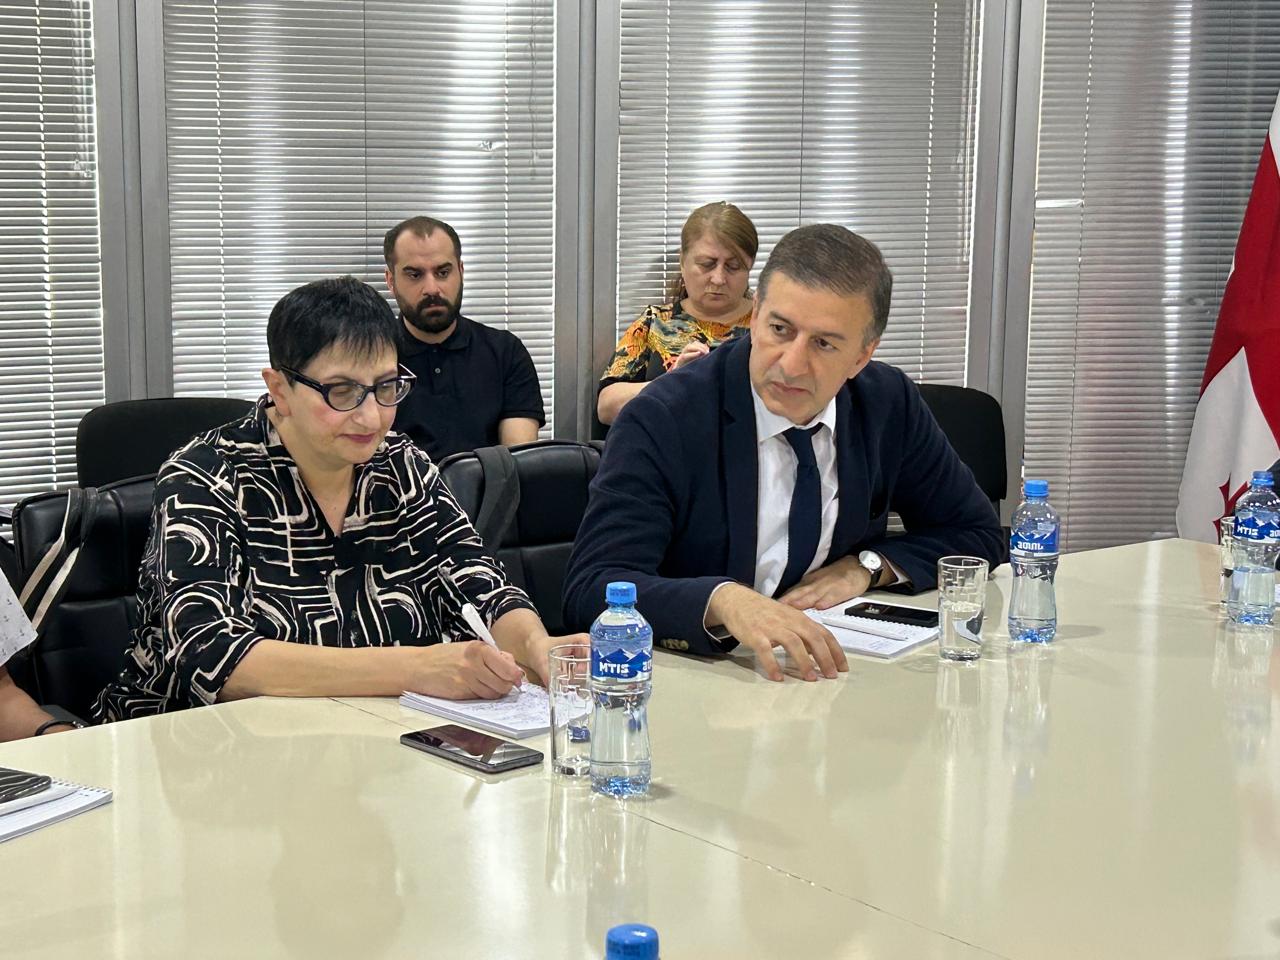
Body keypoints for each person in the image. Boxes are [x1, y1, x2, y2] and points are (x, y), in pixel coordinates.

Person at [93, 277, 582, 722]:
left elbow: (482, 585)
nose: (371, 417)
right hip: (197, 745)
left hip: (368, 737)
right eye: (342, 391)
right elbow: (214, 656)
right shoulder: (206, 475)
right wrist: (416, 668)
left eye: (386, 387)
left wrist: (538, 647)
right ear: (280, 389)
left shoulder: (402, 466)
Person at [564, 224, 1005, 682]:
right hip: (707, 681)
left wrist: (867, 567)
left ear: (861, 356)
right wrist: (723, 601)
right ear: (755, 317)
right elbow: (592, 587)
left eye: (824, 343)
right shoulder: (666, 417)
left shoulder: (885, 403)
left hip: (836, 676)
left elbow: (975, 533)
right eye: (780, 329)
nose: (792, 365)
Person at [382, 216, 545, 460]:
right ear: (391, 281)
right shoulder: (372, 359)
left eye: (443, 272)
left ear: (460, 271)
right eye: (415, 275)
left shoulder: (505, 353)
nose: (432, 289)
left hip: (488, 485)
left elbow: (517, 465)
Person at [597, 201, 758, 425]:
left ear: (750, 266)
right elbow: (606, 408)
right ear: (683, 262)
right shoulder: (655, 323)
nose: (718, 279)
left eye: (733, 267)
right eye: (707, 264)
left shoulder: (768, 324)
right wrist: (674, 381)